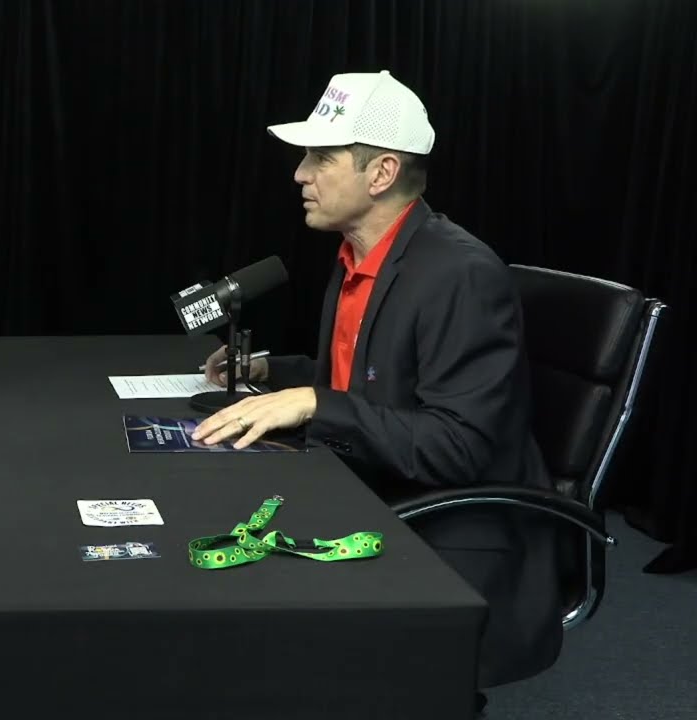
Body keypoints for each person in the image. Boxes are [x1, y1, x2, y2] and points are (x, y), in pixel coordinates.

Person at [193, 71, 563, 693]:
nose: (300, 175)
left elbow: (459, 447)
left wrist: (315, 403)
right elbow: (368, 380)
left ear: (382, 173)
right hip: (376, 485)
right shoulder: (361, 255)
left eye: (320, 158)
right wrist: (273, 372)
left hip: (453, 528)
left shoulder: (460, 275)